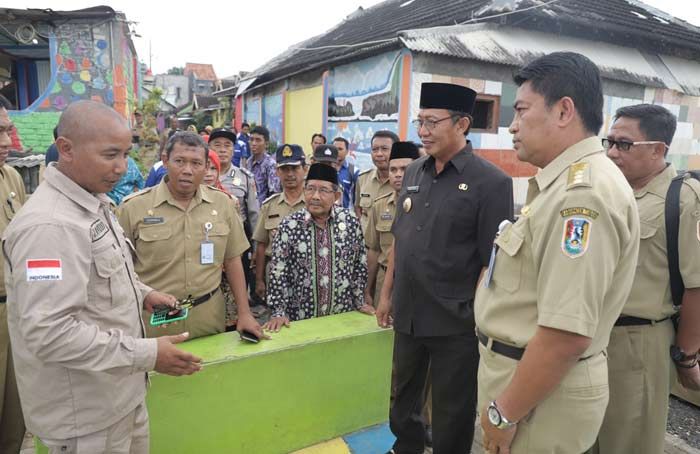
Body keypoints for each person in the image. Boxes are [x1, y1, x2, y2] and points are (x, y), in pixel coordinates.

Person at [2, 100, 202, 454]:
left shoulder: (92, 200)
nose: (122, 168)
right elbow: (49, 332)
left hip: (117, 397)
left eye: (126, 154)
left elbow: (96, 275)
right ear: (66, 149)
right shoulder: (49, 226)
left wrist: (142, 293)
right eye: (110, 155)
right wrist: (147, 353)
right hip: (84, 420)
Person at [473, 52, 640, 454]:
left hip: (538, 401)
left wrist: (504, 414)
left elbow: (565, 335)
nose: (511, 126)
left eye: (522, 111)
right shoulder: (561, 186)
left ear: (564, 111)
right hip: (523, 383)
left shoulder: (581, 198)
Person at [376, 83, 513, 454]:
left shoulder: (492, 183)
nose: (423, 131)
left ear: (462, 124)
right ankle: (407, 448)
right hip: (409, 314)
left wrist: (477, 316)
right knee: (402, 402)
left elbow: (493, 263)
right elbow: (401, 241)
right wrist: (386, 296)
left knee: (452, 412)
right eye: (420, 121)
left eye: (432, 122)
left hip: (456, 322)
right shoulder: (416, 171)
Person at [589, 104, 700, 454]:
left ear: (657, 149)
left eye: (624, 144)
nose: (611, 152)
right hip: (593, 337)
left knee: (628, 440)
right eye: (609, 141)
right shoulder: (609, 191)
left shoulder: (684, 198)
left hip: (640, 342)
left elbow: (697, 286)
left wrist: (686, 356)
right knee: (587, 436)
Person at [117, 131, 264, 341]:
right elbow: (120, 270)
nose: (187, 170)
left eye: (196, 163)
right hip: (153, 322)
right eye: (179, 161)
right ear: (165, 161)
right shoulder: (133, 209)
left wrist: (244, 312)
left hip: (208, 317)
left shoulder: (223, 204)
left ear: (206, 167)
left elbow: (232, 260)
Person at [263, 163, 372, 331]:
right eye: (310, 189)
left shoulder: (350, 222)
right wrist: (278, 312)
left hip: (341, 316)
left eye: (323, 191)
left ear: (336, 195)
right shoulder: (290, 225)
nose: (315, 196)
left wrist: (359, 301)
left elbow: (359, 264)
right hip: (300, 319)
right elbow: (278, 271)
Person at [0, 101, 26, 454]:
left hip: (14, 314)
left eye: (6, 130)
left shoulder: (12, 178)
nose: (6, 140)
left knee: (13, 420)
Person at [365, 141, 419, 308]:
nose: (398, 174)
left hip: (416, 283)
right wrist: (367, 289)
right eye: (393, 169)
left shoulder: (428, 205)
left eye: (404, 169)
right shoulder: (380, 205)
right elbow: (373, 250)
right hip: (384, 280)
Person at [252, 144, 306, 303]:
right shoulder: (269, 205)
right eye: (284, 169)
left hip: (307, 272)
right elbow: (262, 244)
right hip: (275, 272)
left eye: (294, 168)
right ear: (277, 172)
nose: (289, 174)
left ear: (305, 169)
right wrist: (259, 280)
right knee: (276, 318)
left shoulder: (314, 204)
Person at [210, 127, 259, 303]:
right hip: (209, 238)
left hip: (238, 238)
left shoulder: (244, 177)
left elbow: (254, 214)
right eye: (217, 145)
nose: (222, 149)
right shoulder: (203, 175)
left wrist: (254, 247)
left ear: (233, 149)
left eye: (227, 145)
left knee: (238, 283)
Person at [355, 131, 397, 233]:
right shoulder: (362, 179)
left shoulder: (405, 180)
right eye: (375, 149)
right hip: (367, 245)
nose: (379, 154)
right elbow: (358, 209)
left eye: (384, 149)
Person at [245, 126, 280, 205]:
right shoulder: (248, 162)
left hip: (264, 210)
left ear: (266, 144)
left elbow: (274, 194)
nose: (253, 143)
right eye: (251, 140)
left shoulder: (271, 165)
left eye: (258, 140)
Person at [334, 137, 358, 209]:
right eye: (334, 149)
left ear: (347, 151)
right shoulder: (326, 168)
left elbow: (357, 199)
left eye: (340, 149)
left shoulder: (353, 170)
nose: (337, 151)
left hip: (346, 216)